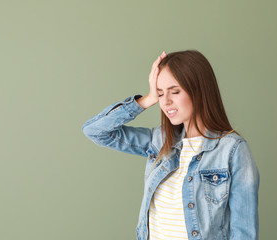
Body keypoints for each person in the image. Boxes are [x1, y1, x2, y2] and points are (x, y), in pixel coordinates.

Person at [82, 50, 260, 240]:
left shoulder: (232, 150)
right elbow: (95, 130)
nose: (165, 102)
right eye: (160, 93)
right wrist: (148, 98)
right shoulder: (159, 141)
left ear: (199, 90)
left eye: (175, 92)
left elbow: (244, 232)